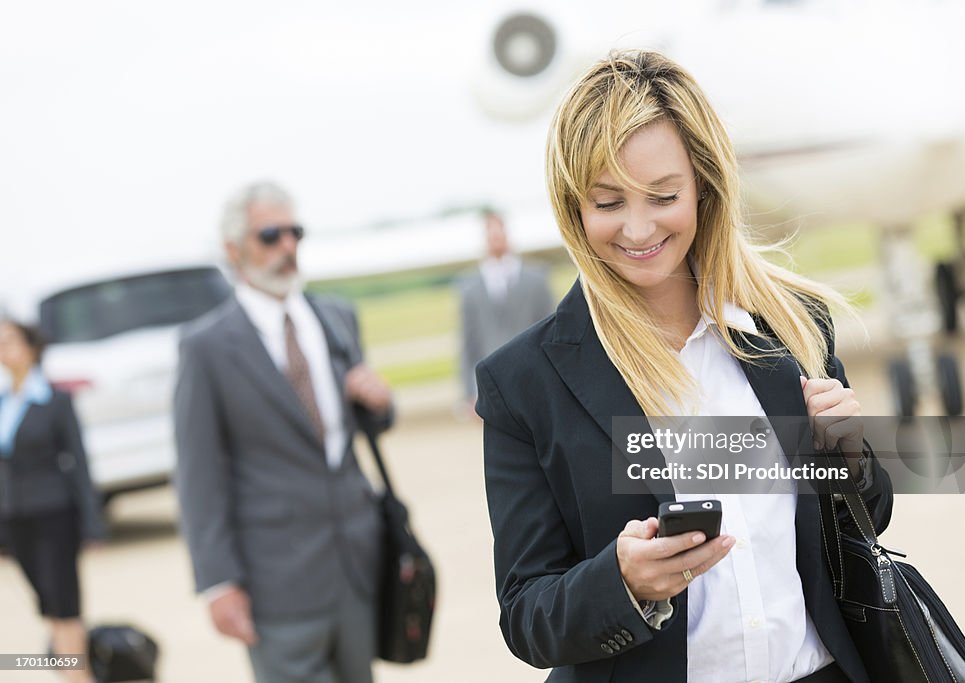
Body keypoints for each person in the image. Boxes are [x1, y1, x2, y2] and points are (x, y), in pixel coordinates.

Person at [476, 51, 893, 683]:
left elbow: (865, 520)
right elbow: (527, 615)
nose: (637, 228)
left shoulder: (792, 325)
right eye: (607, 202)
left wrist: (850, 459)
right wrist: (621, 584)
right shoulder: (522, 382)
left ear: (704, 183)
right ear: (573, 207)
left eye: (663, 196)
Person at [174, 181, 394, 683]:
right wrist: (218, 583)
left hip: (357, 564)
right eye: (269, 235)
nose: (287, 247)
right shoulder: (205, 348)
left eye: (295, 232)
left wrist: (379, 402)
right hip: (276, 582)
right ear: (233, 250)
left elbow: (362, 427)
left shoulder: (336, 317)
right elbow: (198, 476)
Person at [0, 319, 106, 683]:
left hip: (54, 511)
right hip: (14, 515)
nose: (4, 349)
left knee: (64, 600)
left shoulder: (54, 400)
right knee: (45, 601)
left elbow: (79, 463)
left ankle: (78, 676)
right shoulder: (2, 402)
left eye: (10, 340)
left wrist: (93, 522)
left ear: (31, 346)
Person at [458, 211, 553, 411]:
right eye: (490, 232)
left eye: (499, 231)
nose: (496, 237)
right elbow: (468, 341)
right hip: (493, 382)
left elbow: (552, 329)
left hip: (536, 376)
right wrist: (469, 391)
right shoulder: (469, 287)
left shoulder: (536, 277)